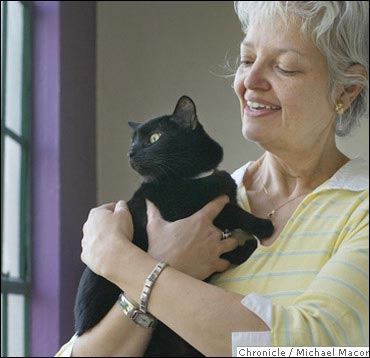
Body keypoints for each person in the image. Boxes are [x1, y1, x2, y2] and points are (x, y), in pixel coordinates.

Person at [56, 1, 369, 356]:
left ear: (346, 91)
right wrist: (152, 280)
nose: (250, 81)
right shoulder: (200, 202)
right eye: (247, 60)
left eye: (285, 68)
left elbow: (308, 347)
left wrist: (122, 260)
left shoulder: (362, 211)